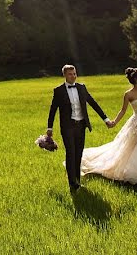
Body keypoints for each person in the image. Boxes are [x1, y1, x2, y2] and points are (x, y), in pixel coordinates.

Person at [45, 64, 114, 192]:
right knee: (70, 153)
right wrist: (50, 127)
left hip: (81, 126)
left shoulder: (82, 88)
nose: (73, 76)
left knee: (78, 154)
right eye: (70, 74)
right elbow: (53, 109)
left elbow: (93, 103)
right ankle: (73, 184)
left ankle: (77, 180)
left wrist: (106, 119)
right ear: (65, 75)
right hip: (67, 126)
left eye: (75, 73)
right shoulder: (59, 91)